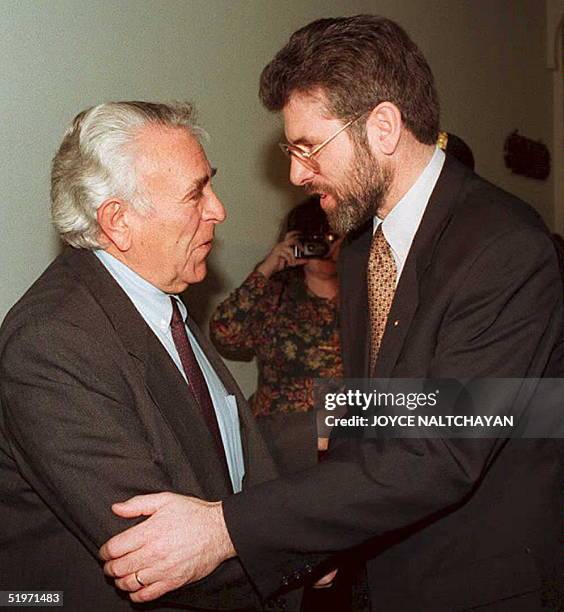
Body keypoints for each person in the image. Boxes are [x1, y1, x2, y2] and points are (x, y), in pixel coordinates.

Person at [100, 16, 564, 612]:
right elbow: (372, 409)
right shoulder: (363, 248)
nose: (295, 173)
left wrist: (225, 527)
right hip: (384, 572)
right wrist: (322, 542)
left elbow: (441, 449)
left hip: (480, 585)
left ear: (384, 127)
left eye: (307, 147)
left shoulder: (502, 246)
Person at [0, 101, 312, 611]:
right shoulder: (52, 343)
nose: (219, 209)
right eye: (196, 193)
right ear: (118, 222)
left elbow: (218, 453)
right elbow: (156, 552)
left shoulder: (158, 301)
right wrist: (310, 542)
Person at [210, 197, 342, 419]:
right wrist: (266, 269)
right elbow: (225, 334)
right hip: (280, 433)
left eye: (332, 238)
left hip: (345, 436)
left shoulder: (365, 296)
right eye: (315, 239)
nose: (325, 248)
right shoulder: (274, 297)